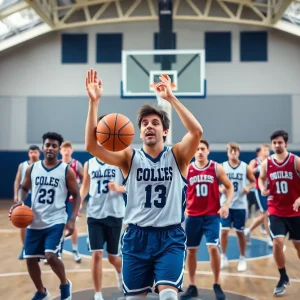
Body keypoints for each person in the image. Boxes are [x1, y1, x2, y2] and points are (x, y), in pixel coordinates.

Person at [85, 69, 203, 299]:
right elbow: (92, 146)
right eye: (145, 123)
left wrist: (170, 98)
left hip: (170, 238)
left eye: (156, 123)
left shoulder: (178, 156)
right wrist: (94, 102)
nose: (150, 126)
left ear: (165, 131)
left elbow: (197, 131)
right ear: (138, 132)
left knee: (168, 296)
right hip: (136, 238)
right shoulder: (129, 157)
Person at [9, 132, 81, 300]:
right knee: (30, 259)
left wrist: (72, 220)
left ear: (59, 149)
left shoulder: (66, 170)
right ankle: (42, 292)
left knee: (50, 255)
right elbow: (24, 187)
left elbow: (76, 195)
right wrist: (20, 201)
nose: (50, 148)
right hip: (34, 221)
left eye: (54, 146)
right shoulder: (33, 168)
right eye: (47, 145)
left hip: (56, 220)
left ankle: (65, 284)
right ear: (43, 147)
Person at [180, 140, 233, 300]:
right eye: (196, 149)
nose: (199, 151)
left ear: (208, 151)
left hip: (212, 216)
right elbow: (179, 191)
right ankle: (192, 285)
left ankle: (216, 283)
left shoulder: (216, 167)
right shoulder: (188, 169)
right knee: (191, 251)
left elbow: (230, 187)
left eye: (202, 149)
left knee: (213, 249)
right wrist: (183, 208)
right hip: (193, 216)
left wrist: (226, 205)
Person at [80, 117, 126, 300]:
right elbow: (84, 188)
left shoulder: (120, 160)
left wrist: (120, 188)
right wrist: (77, 206)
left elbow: (132, 185)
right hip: (94, 215)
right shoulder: (89, 164)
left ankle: (120, 273)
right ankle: (98, 293)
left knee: (113, 258)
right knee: (96, 254)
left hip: (115, 214)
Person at [258, 130, 300, 296]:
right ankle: (283, 276)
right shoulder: (266, 163)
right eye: (274, 143)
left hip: (295, 211)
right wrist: (262, 189)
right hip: (275, 209)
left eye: (279, 142)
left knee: (298, 246)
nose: (276, 145)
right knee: (277, 242)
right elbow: (261, 178)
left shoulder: (295, 161)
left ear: (286, 144)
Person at [44, 141, 83, 264]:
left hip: (72, 201)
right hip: (59, 200)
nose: (66, 151)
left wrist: (79, 189)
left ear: (71, 151)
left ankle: (75, 250)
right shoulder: (57, 165)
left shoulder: (77, 165)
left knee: (72, 226)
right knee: (57, 226)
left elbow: (85, 181)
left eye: (68, 149)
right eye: (64, 149)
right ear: (61, 151)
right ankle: (56, 251)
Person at [219, 142, 256, 272]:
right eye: (231, 151)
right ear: (227, 152)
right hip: (225, 204)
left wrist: (248, 187)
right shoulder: (222, 166)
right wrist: (220, 188)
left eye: (235, 151)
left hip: (240, 204)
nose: (233, 153)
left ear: (238, 152)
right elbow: (215, 183)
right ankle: (223, 256)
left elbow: (253, 181)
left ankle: (242, 258)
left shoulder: (245, 167)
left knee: (240, 232)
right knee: (224, 231)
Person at [13, 145, 40, 259]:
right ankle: (24, 247)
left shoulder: (42, 165)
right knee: (22, 222)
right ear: (28, 154)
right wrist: (16, 194)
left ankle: (38, 248)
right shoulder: (22, 165)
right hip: (26, 196)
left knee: (39, 223)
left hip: (39, 197)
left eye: (35, 152)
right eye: (31, 152)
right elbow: (17, 180)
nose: (33, 154)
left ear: (39, 153)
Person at [244, 145, 273, 247]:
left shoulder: (271, 161)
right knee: (266, 214)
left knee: (265, 215)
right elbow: (248, 172)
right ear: (259, 152)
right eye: (265, 150)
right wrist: (257, 169)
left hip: (271, 190)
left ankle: (248, 230)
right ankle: (270, 238)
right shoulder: (255, 161)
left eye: (268, 150)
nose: (267, 152)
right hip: (258, 190)